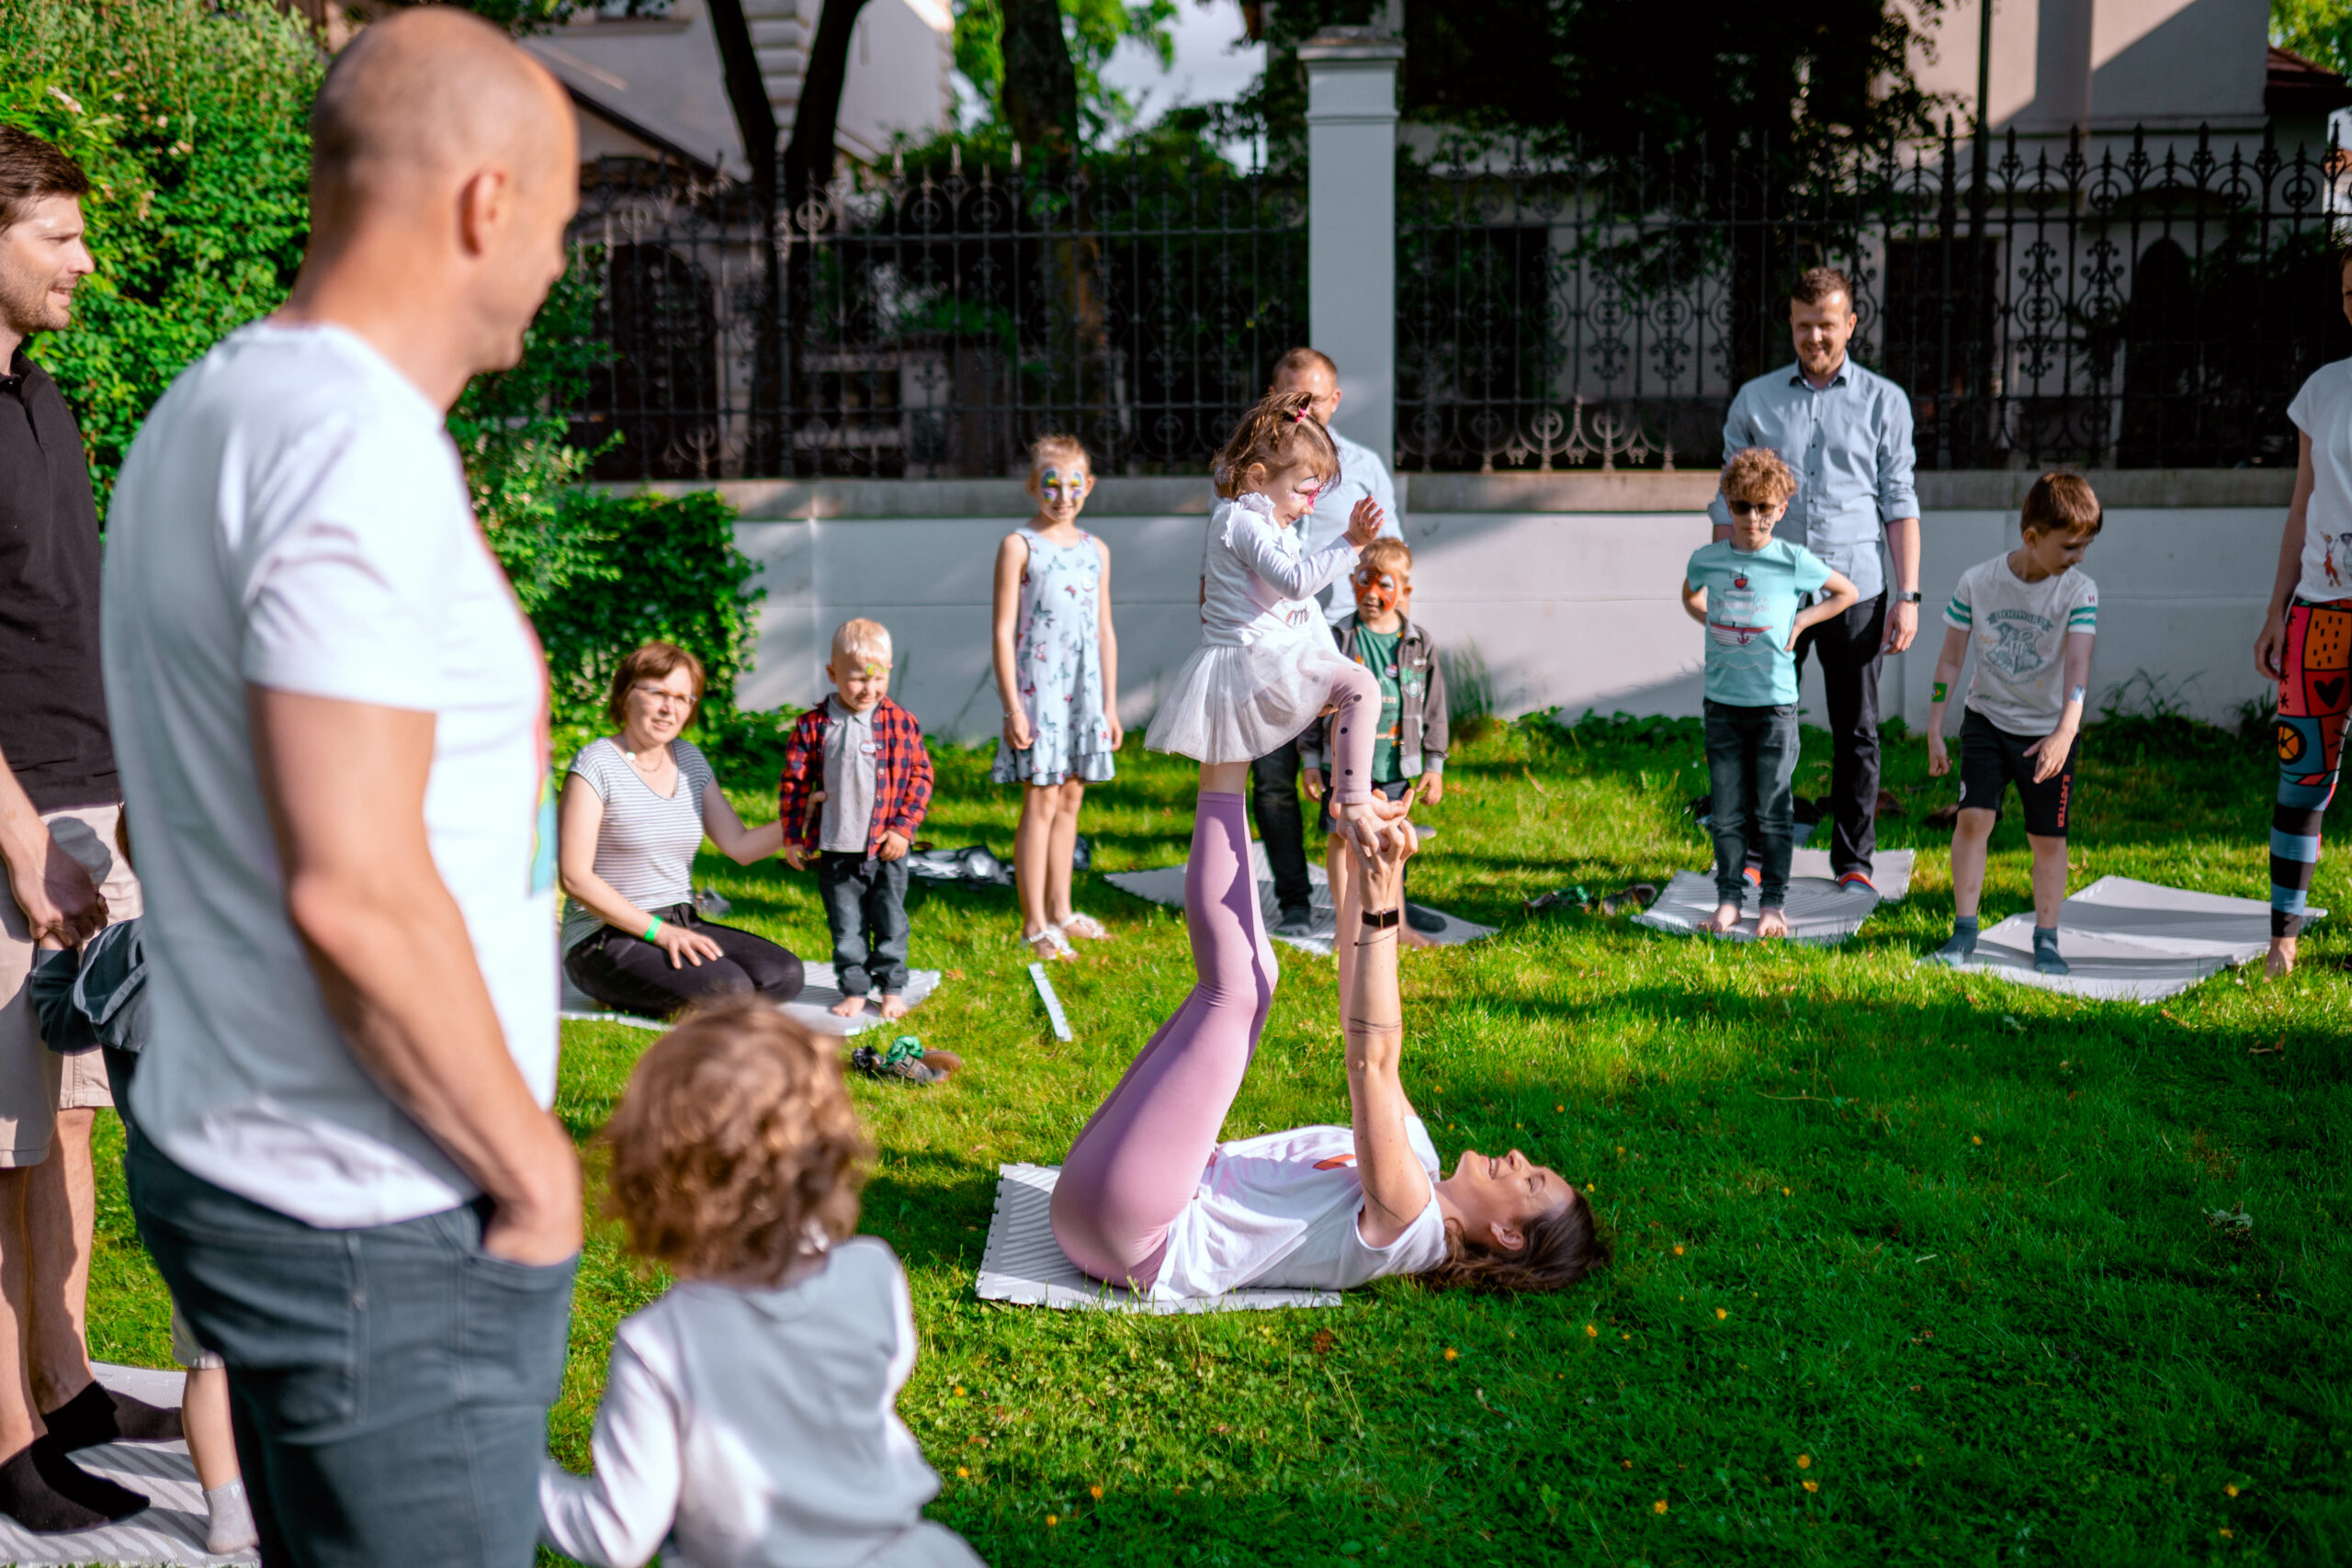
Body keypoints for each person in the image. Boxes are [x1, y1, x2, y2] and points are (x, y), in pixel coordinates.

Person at [101, 12, 585, 1562]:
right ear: (486, 204)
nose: (562, 266)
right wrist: (535, 1168)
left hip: (249, 1146)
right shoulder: (349, 451)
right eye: (566, 224)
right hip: (374, 1208)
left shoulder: (215, 406)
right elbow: (357, 888)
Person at [1049, 783, 1603, 1299]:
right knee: (1244, 985)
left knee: (1244, 987)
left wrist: (1386, 902)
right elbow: (1353, 1017)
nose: (1517, 1157)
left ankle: (1225, 761)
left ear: (1508, 1234)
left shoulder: (1414, 1227)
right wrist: (1364, 873)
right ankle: (1225, 763)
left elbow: (1373, 1061)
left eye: (1531, 1181)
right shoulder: (1422, 1164)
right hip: (1126, 1199)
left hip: (1138, 1237)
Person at [0, 123, 181, 1534]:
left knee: (59, 1122)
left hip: (86, 799)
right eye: (60, 233)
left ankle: (59, 1385)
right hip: (13, 822)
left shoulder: (41, 396)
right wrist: (15, 833)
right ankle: (2, 1441)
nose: (85, 259)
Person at [537, 998, 982, 1568]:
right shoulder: (872, 1271)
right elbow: (881, 1378)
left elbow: (617, 1536)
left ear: (649, 1180)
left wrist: (523, 1475)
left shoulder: (660, 1345)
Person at [28, 821, 256, 1553]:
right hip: (277, 1184)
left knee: (209, 1360)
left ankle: (227, 1511)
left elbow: (61, 1025)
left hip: (182, 1195)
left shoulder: (125, 950)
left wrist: (60, 956)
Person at [1713, 267, 1922, 894]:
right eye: (1803, 325)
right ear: (1791, 324)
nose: (1815, 337)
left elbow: (1899, 500)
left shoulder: (1886, 402)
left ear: (1850, 324)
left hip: (1855, 589)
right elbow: (1730, 502)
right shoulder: (1755, 400)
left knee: (1856, 728)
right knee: (1762, 721)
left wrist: (1907, 595)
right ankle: (1752, 849)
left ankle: (1854, 860)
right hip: (1771, 591)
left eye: (1826, 325)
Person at [1144, 389, 1397, 861]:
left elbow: (1303, 614)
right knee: (1362, 685)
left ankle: (1346, 804)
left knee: (1224, 800)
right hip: (1245, 663)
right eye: (1305, 491)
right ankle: (1352, 800)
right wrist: (1352, 542)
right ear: (1259, 476)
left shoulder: (1269, 523)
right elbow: (1297, 585)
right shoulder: (1242, 520)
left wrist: (1327, 668)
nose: (1309, 506)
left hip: (1263, 658)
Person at [560, 642, 804, 1020]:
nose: (668, 708)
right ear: (625, 695)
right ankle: (625, 985)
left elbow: (739, 845)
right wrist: (660, 933)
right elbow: (575, 878)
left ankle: (667, 987)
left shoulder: (689, 759)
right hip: (603, 936)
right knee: (729, 987)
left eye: (682, 698)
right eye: (657, 692)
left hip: (681, 919)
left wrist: (803, 822)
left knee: (782, 976)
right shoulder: (596, 763)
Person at [1250, 348, 1404, 934]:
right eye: (1291, 397)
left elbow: (1391, 555)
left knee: (1352, 780)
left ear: (1334, 401)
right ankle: (1292, 901)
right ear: (1273, 395)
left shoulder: (1363, 466)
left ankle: (1359, 906)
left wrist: (1393, 637)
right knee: (1274, 778)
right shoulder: (1250, 469)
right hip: (1268, 647)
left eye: (1313, 398)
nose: (1302, 409)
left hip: (1343, 646)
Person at [1925, 474, 2102, 976]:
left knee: (2047, 838)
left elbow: (2079, 667)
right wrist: (1937, 725)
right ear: (2031, 537)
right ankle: (1964, 932)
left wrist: (2065, 733)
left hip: (2048, 731)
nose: (2079, 557)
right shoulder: (1977, 582)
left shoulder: (2080, 591)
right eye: (2070, 546)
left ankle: (2046, 938)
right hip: (1986, 721)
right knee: (1973, 819)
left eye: (2086, 546)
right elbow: (1951, 660)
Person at [1682, 449, 1859, 938]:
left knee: (1774, 810)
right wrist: (1713, 621)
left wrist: (1802, 620)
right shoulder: (1708, 560)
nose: (1753, 518)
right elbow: (1691, 594)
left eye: (1764, 507)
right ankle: (1729, 900)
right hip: (1722, 706)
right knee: (1726, 811)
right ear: (1727, 505)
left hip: (1775, 708)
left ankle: (1773, 904)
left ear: (1782, 508)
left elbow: (1846, 592)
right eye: (1742, 507)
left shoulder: (1792, 560)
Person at [2256, 246, 2352, 977]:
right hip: (2320, 615)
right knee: (2302, 777)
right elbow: (2300, 508)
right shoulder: (2322, 391)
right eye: (2351, 291)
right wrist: (2275, 609)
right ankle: (2283, 938)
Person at [990, 433, 1122, 962]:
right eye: (1051, 484)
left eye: (1073, 485)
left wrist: (1110, 705)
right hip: (1039, 694)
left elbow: (1104, 629)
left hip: (1083, 695)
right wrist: (1012, 708)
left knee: (1071, 798)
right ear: (1033, 487)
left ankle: (1063, 911)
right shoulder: (1019, 546)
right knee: (1040, 802)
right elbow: (1002, 632)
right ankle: (1034, 923)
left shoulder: (1096, 551)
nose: (1062, 495)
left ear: (1088, 486)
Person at [778, 620, 933, 1022]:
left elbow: (921, 776)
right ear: (832, 674)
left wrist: (902, 827)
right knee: (846, 928)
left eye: (878, 678)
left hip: (887, 848)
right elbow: (794, 783)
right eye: (856, 680)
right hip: (836, 849)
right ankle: (853, 988)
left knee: (890, 921)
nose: (868, 689)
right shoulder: (814, 726)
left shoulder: (901, 722)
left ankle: (892, 987)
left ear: (889, 670)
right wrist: (793, 837)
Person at [1301, 537, 1450, 945]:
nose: (1372, 594)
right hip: (1344, 766)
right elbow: (1316, 702)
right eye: (1364, 583)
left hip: (1396, 765)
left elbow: (1435, 707)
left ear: (1404, 591)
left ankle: (1396, 924)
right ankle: (1343, 926)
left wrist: (1434, 765)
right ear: (1352, 582)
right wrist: (1311, 759)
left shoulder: (1420, 644)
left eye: (1384, 585)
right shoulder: (1338, 638)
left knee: (1393, 839)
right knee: (1339, 838)